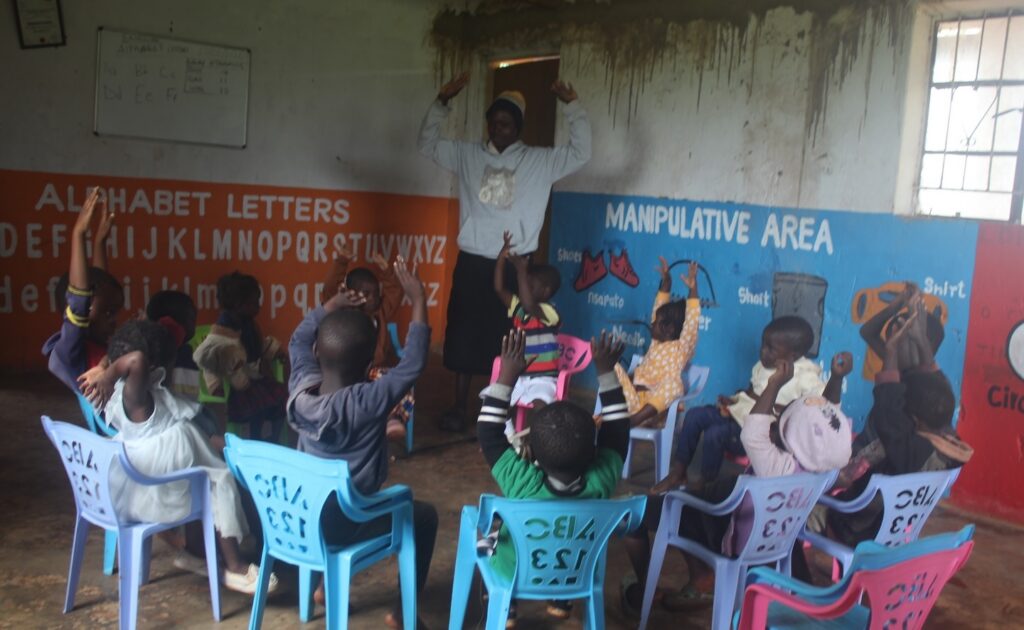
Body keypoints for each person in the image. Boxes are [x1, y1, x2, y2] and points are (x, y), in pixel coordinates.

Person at [418, 71, 592, 432]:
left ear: (519, 127)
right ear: (489, 124)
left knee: (510, 340)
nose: (500, 128)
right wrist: (441, 102)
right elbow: (427, 143)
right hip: (472, 262)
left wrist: (573, 107)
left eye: (508, 123)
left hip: (516, 266)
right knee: (464, 335)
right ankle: (458, 406)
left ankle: (500, 410)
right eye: (495, 122)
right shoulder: (467, 155)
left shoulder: (540, 161)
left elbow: (581, 152)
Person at [621, 354, 853, 614]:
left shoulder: (777, 466)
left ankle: (645, 590)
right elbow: (827, 423)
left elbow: (753, 432)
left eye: (779, 422)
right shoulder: (823, 470)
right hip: (774, 540)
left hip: (734, 538)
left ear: (790, 440)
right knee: (704, 495)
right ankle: (701, 578)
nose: (772, 422)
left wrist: (774, 385)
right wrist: (836, 377)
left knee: (645, 511)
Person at [287, 256, 436, 628]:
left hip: (301, 518)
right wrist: (418, 299)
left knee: (336, 496)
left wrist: (330, 307)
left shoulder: (300, 387)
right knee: (423, 516)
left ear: (318, 352)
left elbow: (298, 340)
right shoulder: (369, 401)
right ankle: (403, 614)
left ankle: (321, 585)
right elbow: (413, 364)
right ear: (371, 361)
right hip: (348, 522)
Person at [96, 319, 276, 595]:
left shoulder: (126, 391)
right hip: (154, 491)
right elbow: (137, 359)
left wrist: (107, 371)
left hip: (145, 478)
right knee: (218, 481)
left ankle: (195, 550)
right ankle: (236, 564)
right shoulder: (135, 397)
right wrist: (108, 373)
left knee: (204, 468)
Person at [477, 329, 629, 625]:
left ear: (531, 452)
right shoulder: (603, 478)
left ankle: (505, 610)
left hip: (517, 570)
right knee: (567, 537)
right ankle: (562, 599)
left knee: (486, 540)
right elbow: (619, 430)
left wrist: (506, 376)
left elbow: (488, 434)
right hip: (576, 570)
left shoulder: (522, 481)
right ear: (594, 452)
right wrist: (606, 371)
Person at [818, 299, 972, 552]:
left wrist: (893, 352)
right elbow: (932, 380)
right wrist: (901, 307)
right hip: (893, 524)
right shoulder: (946, 444)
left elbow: (889, 418)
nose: (893, 340)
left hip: (858, 525)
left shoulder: (905, 443)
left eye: (900, 336)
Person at [658, 315, 838, 489]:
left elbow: (823, 405)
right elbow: (752, 391)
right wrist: (735, 399)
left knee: (715, 434)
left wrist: (837, 377)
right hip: (738, 414)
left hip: (759, 432)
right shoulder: (762, 365)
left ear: (794, 355)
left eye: (770, 349)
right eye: (763, 345)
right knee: (694, 415)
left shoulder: (806, 376)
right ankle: (678, 472)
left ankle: (706, 481)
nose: (762, 351)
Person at [320, 244, 413, 443]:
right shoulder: (342, 313)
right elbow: (328, 291)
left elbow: (395, 291)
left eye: (375, 293)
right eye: (366, 293)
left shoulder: (379, 314)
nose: (373, 299)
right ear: (350, 293)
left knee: (400, 380)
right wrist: (341, 262)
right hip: (345, 374)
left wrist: (386, 271)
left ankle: (393, 419)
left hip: (372, 372)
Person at [42, 186, 123, 397]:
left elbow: (101, 292)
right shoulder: (69, 352)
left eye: (114, 312)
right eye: (107, 314)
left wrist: (99, 243)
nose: (114, 320)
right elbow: (80, 303)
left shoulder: (99, 341)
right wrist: (78, 235)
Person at [193, 272, 287, 442]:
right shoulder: (222, 332)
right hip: (239, 387)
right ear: (239, 304)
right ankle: (256, 438)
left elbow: (257, 346)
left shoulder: (249, 324)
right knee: (259, 404)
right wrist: (216, 384)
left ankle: (273, 437)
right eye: (254, 302)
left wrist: (274, 351)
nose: (258, 306)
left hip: (255, 379)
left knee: (283, 399)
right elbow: (208, 358)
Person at [615, 258, 701, 427]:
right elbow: (659, 305)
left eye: (656, 322)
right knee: (612, 367)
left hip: (652, 410)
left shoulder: (681, 348)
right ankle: (612, 416)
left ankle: (637, 419)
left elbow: (692, 320)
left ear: (668, 329)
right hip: (631, 401)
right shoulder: (656, 343)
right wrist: (667, 281)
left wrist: (693, 288)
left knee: (674, 385)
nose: (652, 323)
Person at [493, 230, 562, 411]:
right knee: (496, 401)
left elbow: (531, 306)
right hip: (519, 376)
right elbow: (499, 289)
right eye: (524, 283)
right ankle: (510, 438)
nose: (523, 287)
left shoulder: (549, 312)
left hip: (544, 379)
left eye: (530, 285)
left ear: (545, 292)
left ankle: (542, 438)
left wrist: (521, 273)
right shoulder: (519, 309)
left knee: (541, 406)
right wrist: (501, 256)